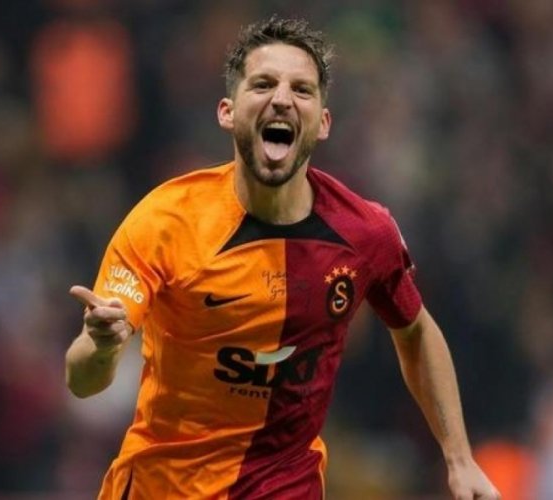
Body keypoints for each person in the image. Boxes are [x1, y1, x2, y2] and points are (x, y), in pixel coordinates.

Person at [65, 16, 500, 500]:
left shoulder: (365, 232)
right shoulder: (164, 221)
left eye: (302, 89)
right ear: (227, 112)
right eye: (263, 84)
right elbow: (82, 380)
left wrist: (459, 459)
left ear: (324, 122)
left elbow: (415, 331)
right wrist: (101, 347)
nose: (281, 99)